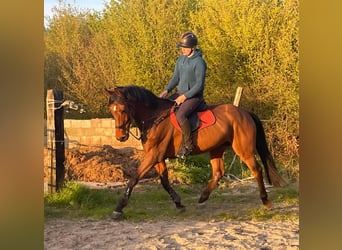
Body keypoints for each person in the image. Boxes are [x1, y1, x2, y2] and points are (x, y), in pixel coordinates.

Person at [159, 31, 207, 159]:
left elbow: (199, 85)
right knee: (163, 109)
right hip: (179, 93)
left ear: (192, 47)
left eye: (185, 47)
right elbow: (176, 77)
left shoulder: (199, 63)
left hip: (194, 97)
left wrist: (185, 97)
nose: (182, 50)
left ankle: (188, 145)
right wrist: (167, 90)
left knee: (180, 114)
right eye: (181, 47)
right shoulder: (181, 59)